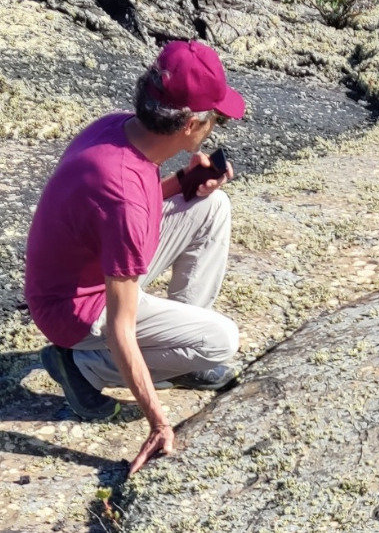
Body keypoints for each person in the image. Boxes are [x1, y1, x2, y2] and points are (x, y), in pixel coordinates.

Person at [24, 40, 245, 475]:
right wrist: (158, 422)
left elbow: (125, 207)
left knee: (212, 208)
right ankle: (83, 367)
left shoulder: (115, 129)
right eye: (215, 119)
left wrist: (184, 180)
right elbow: (121, 325)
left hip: (80, 272)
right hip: (76, 310)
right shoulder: (124, 197)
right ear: (191, 125)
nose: (214, 127)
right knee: (223, 341)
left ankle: (176, 346)